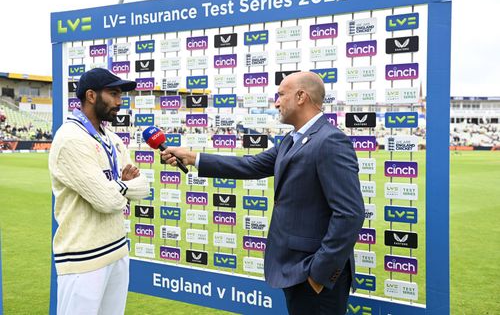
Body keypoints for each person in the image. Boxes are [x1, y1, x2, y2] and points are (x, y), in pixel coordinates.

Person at [161, 71, 365, 315]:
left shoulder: (330, 141)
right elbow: (250, 166)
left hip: (313, 275)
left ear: (301, 96)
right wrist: (193, 158)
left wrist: (318, 274)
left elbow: (350, 214)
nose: (276, 102)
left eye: (280, 95)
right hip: (295, 270)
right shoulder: (292, 140)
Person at [48, 68, 150, 315]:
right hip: (83, 258)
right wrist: (124, 187)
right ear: (91, 96)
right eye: (113, 93)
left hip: (117, 249)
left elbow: (144, 186)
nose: (119, 101)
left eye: (120, 94)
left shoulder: (112, 138)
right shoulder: (71, 139)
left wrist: (117, 189)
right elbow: (106, 201)